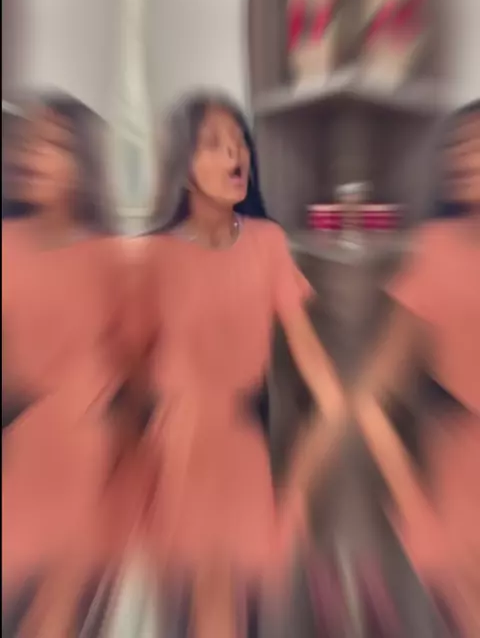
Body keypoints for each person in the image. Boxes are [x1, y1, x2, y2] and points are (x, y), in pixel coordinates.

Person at [133, 91, 345, 638]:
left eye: (240, 140)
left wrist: (297, 497)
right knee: (203, 613)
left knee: (239, 613)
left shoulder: (268, 243)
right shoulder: (151, 257)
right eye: (214, 143)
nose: (236, 154)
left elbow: (321, 378)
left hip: (244, 458)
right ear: (182, 164)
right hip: (174, 461)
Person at [2, 92, 137, 637]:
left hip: (87, 462)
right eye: (28, 142)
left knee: (53, 615)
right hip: (22, 450)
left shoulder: (110, 260)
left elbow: (135, 381)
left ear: (84, 163)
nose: (31, 154)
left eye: (52, 144)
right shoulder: (7, 247)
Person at [354, 99, 480, 636]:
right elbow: (370, 397)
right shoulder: (435, 251)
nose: (467, 158)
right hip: (462, 485)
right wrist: (414, 506)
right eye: (460, 147)